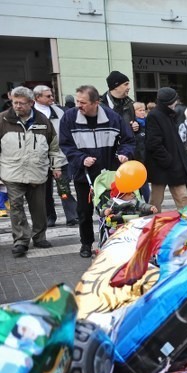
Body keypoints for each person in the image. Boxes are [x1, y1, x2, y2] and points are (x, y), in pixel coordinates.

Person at [59, 85, 135, 258]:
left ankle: (110, 242)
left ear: (96, 102)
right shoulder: (69, 118)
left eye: (83, 102)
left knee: (111, 211)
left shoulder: (112, 118)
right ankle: (86, 244)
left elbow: (128, 140)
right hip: (83, 175)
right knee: (84, 212)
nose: (79, 105)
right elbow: (65, 144)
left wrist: (124, 153)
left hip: (109, 174)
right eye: (77, 101)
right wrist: (80, 158)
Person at [0, 86, 66, 257]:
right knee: (16, 207)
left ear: (31, 103)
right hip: (12, 172)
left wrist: (56, 166)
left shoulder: (43, 121)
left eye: (22, 103)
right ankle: (21, 240)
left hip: (37, 172)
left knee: (39, 208)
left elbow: (53, 146)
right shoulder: (3, 120)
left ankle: (39, 236)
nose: (17, 106)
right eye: (15, 102)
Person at [32, 84, 79, 226]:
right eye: (48, 96)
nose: (52, 98)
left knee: (63, 188)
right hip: (39, 158)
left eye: (52, 95)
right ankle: (49, 217)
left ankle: (72, 215)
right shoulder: (30, 113)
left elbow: (67, 130)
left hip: (60, 156)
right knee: (44, 191)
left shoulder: (59, 111)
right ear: (37, 97)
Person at [144, 87, 187, 212]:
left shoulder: (168, 114)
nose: (176, 102)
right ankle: (152, 226)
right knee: (156, 201)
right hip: (163, 166)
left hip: (172, 165)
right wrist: (168, 161)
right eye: (175, 100)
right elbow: (154, 143)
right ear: (169, 102)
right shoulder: (155, 115)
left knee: (183, 197)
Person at [101, 71, 138, 136]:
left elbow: (133, 122)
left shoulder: (129, 104)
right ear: (116, 86)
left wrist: (136, 126)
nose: (129, 87)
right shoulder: (100, 105)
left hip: (127, 145)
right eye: (126, 84)